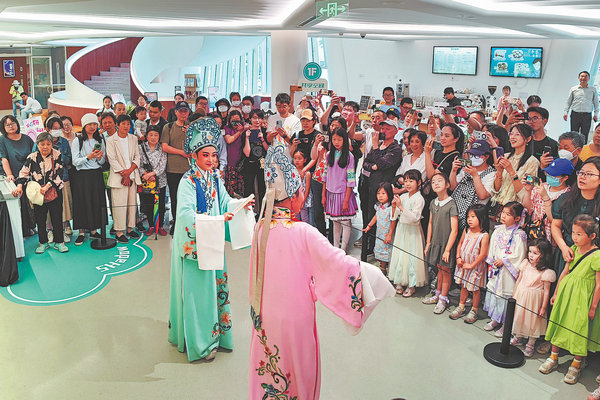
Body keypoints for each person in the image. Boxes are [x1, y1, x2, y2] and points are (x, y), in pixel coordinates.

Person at [248, 136, 394, 400]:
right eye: (301, 190)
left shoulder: (261, 227)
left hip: (266, 317)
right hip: (295, 320)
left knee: (269, 370)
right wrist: (374, 275)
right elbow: (336, 264)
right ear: (293, 196)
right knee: (296, 375)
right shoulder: (302, 231)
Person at [169, 117, 251, 362]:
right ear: (194, 156)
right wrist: (216, 221)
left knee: (216, 289)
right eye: (206, 155)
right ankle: (202, 344)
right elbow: (184, 216)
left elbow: (225, 202)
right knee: (200, 295)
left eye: (214, 155)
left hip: (212, 242)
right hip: (196, 247)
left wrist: (242, 204)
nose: (211, 160)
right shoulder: (187, 182)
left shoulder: (215, 178)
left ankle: (219, 336)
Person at [541, 215, 600, 384]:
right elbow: (565, 272)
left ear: (592, 236)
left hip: (582, 299)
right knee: (559, 323)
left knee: (579, 330)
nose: (575, 237)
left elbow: (598, 285)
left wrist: (593, 306)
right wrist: (556, 292)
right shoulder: (573, 248)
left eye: (579, 234)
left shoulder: (596, 255)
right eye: (573, 233)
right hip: (566, 294)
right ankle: (553, 357)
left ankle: (576, 364)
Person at [13, 132, 68, 253]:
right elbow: (24, 172)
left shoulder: (57, 154)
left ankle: (59, 242)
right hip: (38, 193)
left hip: (54, 191)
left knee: (57, 217)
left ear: (52, 144)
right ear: (37, 145)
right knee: (40, 218)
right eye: (42, 144)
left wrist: (47, 186)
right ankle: (43, 242)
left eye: (48, 144)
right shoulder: (32, 157)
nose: (45, 147)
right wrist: (20, 186)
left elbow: (59, 173)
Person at [483, 201, 527, 338]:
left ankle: (505, 325)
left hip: (508, 272)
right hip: (496, 268)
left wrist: (505, 261)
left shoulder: (519, 235)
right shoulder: (498, 230)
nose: (503, 216)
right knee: (495, 292)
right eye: (503, 213)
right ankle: (495, 319)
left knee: (505, 296)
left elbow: (520, 254)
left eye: (508, 214)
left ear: (518, 218)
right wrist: (492, 261)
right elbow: (492, 247)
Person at [551, 157, 600, 276]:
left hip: (592, 258)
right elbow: (556, 225)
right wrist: (563, 247)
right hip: (566, 252)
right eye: (581, 172)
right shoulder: (565, 199)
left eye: (589, 174)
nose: (583, 176)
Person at [362, 119, 403, 260]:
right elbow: (366, 163)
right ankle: (369, 249)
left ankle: (382, 256)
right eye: (382, 128)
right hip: (371, 188)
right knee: (370, 219)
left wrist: (375, 150)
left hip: (385, 192)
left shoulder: (395, 149)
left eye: (387, 129)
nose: (383, 131)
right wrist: (373, 166)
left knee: (383, 223)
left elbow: (383, 164)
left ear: (395, 131)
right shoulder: (379, 145)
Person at [510, 237, 556, 357]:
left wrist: (543, 307)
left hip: (535, 301)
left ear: (544, 255)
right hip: (521, 296)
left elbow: (546, 291)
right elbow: (519, 280)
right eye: (530, 252)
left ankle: (531, 343)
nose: (531, 255)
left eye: (535, 253)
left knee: (533, 321)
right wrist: (514, 295)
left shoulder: (546, 272)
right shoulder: (525, 264)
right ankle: (518, 336)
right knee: (520, 317)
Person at [422, 173, 459, 314]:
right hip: (435, 242)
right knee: (438, 268)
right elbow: (430, 223)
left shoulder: (451, 203)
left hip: (446, 244)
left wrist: (448, 249)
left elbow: (454, 230)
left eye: (440, 181)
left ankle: (443, 298)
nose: (436, 183)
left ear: (448, 185)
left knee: (446, 270)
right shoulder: (433, 202)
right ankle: (437, 294)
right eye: (433, 182)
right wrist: (428, 242)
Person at [388, 170, 427, 297]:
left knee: (411, 256)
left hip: (412, 231)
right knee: (400, 255)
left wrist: (401, 207)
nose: (408, 184)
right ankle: (399, 280)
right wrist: (394, 207)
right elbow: (394, 216)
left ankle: (411, 284)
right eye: (406, 181)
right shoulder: (403, 197)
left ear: (419, 182)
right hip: (402, 229)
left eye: (411, 181)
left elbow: (415, 218)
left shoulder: (419, 199)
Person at [71, 113, 107, 245]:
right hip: (82, 176)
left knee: (96, 201)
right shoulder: (78, 140)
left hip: (96, 174)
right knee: (82, 202)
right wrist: (89, 157)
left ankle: (94, 229)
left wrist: (99, 158)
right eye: (89, 124)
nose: (92, 127)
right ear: (84, 125)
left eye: (95, 124)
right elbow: (75, 161)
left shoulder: (100, 139)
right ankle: (81, 232)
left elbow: (103, 161)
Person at [449, 204, 490, 323]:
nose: (469, 219)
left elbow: (483, 254)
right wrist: (458, 257)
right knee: (463, 286)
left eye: (473, 216)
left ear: (481, 218)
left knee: (475, 289)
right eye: (468, 216)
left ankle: (474, 310)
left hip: (475, 268)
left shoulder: (484, 235)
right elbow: (460, 244)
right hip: (463, 265)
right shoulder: (466, 230)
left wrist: (472, 265)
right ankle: (461, 306)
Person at [106, 115, 141, 243]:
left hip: (132, 176)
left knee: (132, 204)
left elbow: (137, 157)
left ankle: (130, 229)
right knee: (119, 205)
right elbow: (112, 159)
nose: (126, 126)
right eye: (123, 124)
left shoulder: (133, 139)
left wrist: (130, 172)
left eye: (128, 124)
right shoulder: (111, 140)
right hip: (118, 177)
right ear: (117, 125)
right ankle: (119, 232)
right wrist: (124, 175)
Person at [322, 127, 358, 252]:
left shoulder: (349, 156)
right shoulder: (328, 155)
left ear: (345, 140)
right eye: (334, 139)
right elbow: (325, 176)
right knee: (335, 222)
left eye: (339, 139)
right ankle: (336, 248)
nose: (336, 142)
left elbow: (351, 179)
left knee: (345, 222)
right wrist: (323, 195)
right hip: (331, 192)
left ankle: (343, 249)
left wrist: (347, 199)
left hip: (343, 193)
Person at [490, 123, 540, 213]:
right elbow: (495, 190)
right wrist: (499, 172)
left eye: (517, 134)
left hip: (515, 213)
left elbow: (526, 194)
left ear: (528, 139)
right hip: (498, 210)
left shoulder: (533, 162)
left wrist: (511, 172)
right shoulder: (505, 156)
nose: (513, 137)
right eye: (511, 134)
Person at [38, 117, 73, 243]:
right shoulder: (41, 142)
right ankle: (50, 231)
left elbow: (68, 159)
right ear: (48, 129)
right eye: (54, 128)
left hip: (62, 179)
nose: (57, 131)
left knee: (63, 208)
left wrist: (59, 160)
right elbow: (35, 160)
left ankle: (61, 231)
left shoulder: (64, 142)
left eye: (59, 128)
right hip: (44, 182)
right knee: (47, 208)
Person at [522, 158, 573, 244]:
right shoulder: (542, 186)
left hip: (550, 239)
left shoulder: (568, 195)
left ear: (565, 178)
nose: (549, 177)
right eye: (548, 173)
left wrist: (545, 197)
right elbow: (528, 209)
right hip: (533, 233)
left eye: (553, 176)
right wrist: (528, 191)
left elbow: (554, 220)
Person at [0, 115, 36, 237]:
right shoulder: (3, 140)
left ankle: (32, 226)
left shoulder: (26, 138)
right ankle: (23, 230)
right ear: (3, 127)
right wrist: (9, 174)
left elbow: (34, 155)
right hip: (14, 177)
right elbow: (4, 159)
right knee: (20, 204)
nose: (10, 126)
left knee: (30, 202)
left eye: (12, 123)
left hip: (29, 176)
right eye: (7, 124)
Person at [449, 140, 496, 233]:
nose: (473, 158)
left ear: (486, 157)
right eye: (471, 155)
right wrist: (453, 171)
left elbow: (483, 195)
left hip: (473, 217)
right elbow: (452, 187)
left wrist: (475, 175)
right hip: (455, 211)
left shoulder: (492, 174)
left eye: (477, 156)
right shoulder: (466, 169)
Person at [161, 101, 192, 235]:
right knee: (174, 198)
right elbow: (164, 147)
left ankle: (188, 223)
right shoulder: (168, 127)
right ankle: (177, 223)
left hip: (189, 169)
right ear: (176, 112)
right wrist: (181, 152)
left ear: (188, 112)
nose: (183, 113)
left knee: (189, 198)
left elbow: (197, 146)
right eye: (181, 111)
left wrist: (190, 134)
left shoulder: (192, 128)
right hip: (173, 169)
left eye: (185, 110)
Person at [138, 125, 167, 236]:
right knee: (149, 204)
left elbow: (162, 165)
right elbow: (138, 163)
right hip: (147, 181)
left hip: (160, 180)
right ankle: (150, 225)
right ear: (146, 136)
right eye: (151, 135)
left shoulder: (162, 148)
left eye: (156, 135)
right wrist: (144, 174)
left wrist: (152, 174)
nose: (153, 137)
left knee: (161, 204)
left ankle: (160, 226)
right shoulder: (141, 148)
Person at [362, 182, 394, 274]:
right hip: (379, 233)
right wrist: (369, 226)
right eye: (378, 193)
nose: (380, 196)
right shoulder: (378, 206)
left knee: (387, 251)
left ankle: (387, 269)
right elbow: (376, 216)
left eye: (383, 193)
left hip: (387, 234)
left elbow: (393, 222)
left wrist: (389, 235)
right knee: (380, 250)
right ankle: (382, 268)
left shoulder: (391, 208)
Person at [241, 110, 268, 210]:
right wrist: (247, 138)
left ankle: (263, 213)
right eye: (254, 118)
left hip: (262, 164)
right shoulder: (245, 133)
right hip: (249, 164)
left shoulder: (265, 132)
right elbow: (247, 153)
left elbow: (268, 149)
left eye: (259, 118)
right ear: (250, 119)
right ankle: (249, 213)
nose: (257, 120)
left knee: (263, 189)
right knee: (248, 190)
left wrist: (263, 139)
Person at [564, 71, 599, 142]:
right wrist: (565, 112)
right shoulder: (573, 89)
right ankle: (574, 150)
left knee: (584, 134)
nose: (583, 78)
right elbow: (568, 102)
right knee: (573, 134)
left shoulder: (592, 89)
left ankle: (583, 151)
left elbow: (596, 103)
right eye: (582, 76)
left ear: (588, 78)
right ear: (579, 78)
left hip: (587, 115)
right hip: (575, 114)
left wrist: (595, 114)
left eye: (585, 76)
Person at [293, 149, 313, 226]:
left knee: (304, 218)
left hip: (303, 199)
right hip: (294, 199)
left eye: (299, 158)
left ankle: (305, 234)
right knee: (295, 218)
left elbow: (307, 189)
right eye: (295, 158)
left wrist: (303, 201)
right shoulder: (292, 172)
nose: (297, 161)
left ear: (305, 160)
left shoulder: (307, 173)